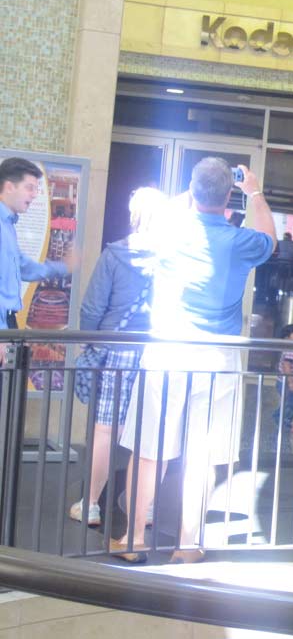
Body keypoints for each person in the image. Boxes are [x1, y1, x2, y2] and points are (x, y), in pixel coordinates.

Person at [113, 159, 275, 564]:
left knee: (149, 449)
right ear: (229, 196)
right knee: (201, 456)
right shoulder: (239, 241)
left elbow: (169, 209)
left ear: (191, 190)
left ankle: (132, 538)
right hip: (217, 358)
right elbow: (270, 239)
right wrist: (253, 191)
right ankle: (187, 544)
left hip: (166, 349)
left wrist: (195, 187)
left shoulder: (168, 229)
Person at [71, 187, 165, 527]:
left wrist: (89, 342)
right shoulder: (171, 258)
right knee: (152, 433)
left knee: (105, 431)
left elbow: (92, 306)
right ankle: (142, 506)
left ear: (133, 215)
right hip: (156, 352)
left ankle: (91, 504)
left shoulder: (114, 255)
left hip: (116, 350)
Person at [0, 158, 74, 364]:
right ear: (9, 186)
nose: (34, 194)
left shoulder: (7, 225)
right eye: (29, 188)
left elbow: (23, 266)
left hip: (8, 323)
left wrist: (63, 267)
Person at [272, 322, 293, 436]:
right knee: (291, 405)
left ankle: (278, 416)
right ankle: (286, 423)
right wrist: (290, 382)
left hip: (288, 382)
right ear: (287, 338)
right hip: (286, 383)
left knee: (288, 403)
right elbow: (286, 366)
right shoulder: (290, 350)